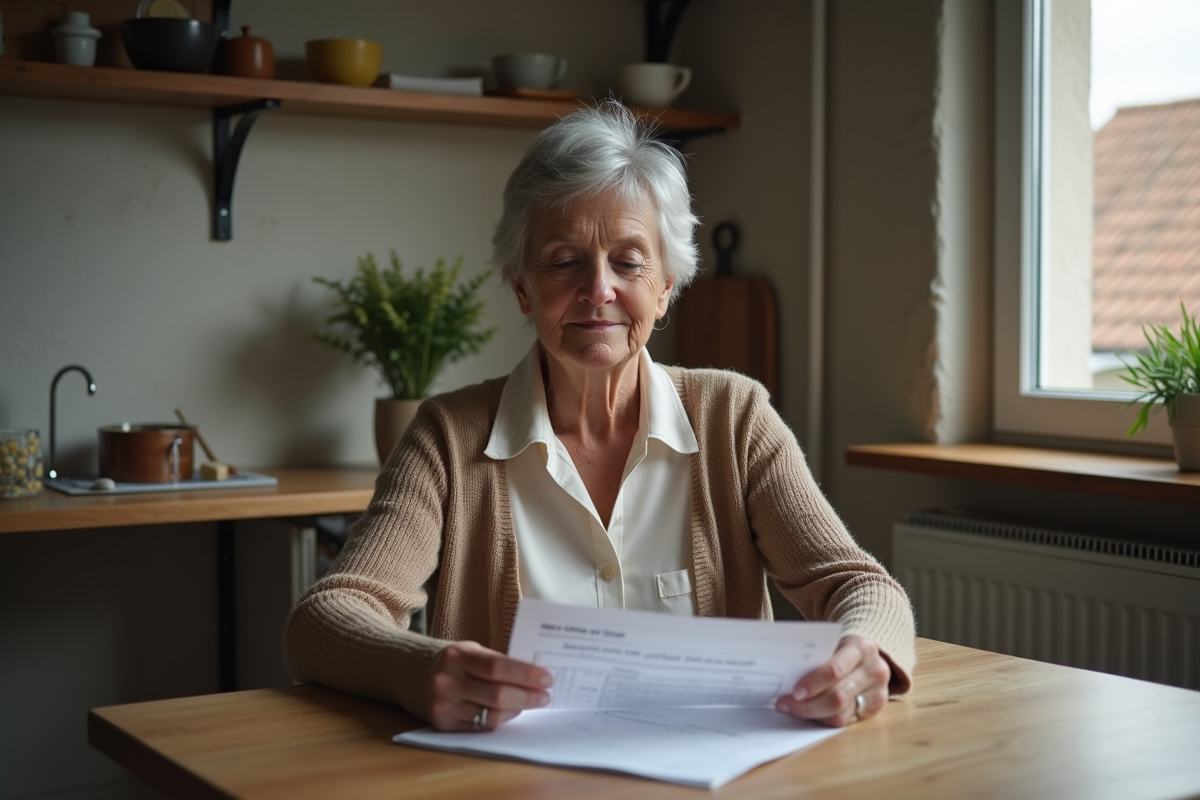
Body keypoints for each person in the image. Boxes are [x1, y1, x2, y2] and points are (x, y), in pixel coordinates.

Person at [284, 101, 916, 733]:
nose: (599, 290)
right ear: (523, 288)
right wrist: (421, 670)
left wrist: (865, 656)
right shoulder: (447, 438)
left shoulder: (735, 417)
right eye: (564, 261)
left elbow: (859, 585)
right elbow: (327, 617)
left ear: (666, 285)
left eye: (629, 261)